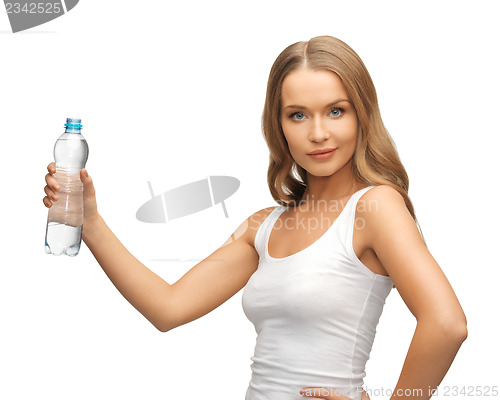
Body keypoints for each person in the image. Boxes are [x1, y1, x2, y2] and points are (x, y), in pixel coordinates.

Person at [42, 36, 467, 400]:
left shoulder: (375, 207)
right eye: (297, 114)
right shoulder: (263, 226)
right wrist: (91, 222)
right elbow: (167, 309)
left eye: (336, 111)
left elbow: (447, 324)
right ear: (279, 125)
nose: (318, 132)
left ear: (362, 115)